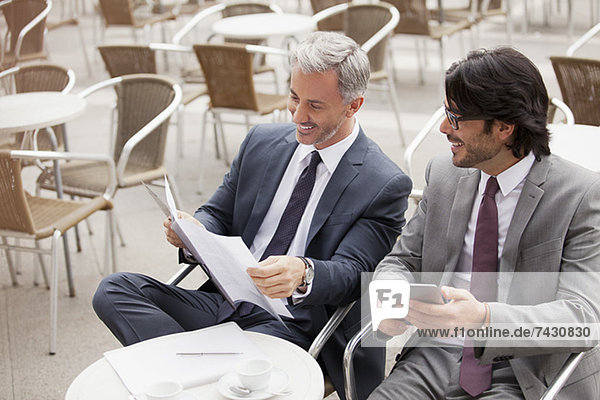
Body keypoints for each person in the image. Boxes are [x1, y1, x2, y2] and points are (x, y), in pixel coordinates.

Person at [93, 31, 412, 400]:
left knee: (242, 371)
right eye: (294, 97)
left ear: (353, 106)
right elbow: (216, 212)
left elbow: (352, 271)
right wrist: (195, 231)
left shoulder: (383, 182)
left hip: (293, 322)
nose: (298, 115)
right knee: (113, 290)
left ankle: (189, 368)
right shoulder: (262, 141)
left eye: (315, 106)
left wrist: (304, 272)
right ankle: (202, 369)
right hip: (225, 299)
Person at [369, 47, 600, 400]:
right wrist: (390, 302)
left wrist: (483, 319)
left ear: (505, 128)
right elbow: (400, 261)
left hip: (522, 371)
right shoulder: (444, 174)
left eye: (457, 118)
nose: (444, 128)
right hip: (434, 354)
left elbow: (581, 317)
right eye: (446, 113)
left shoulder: (581, 195)